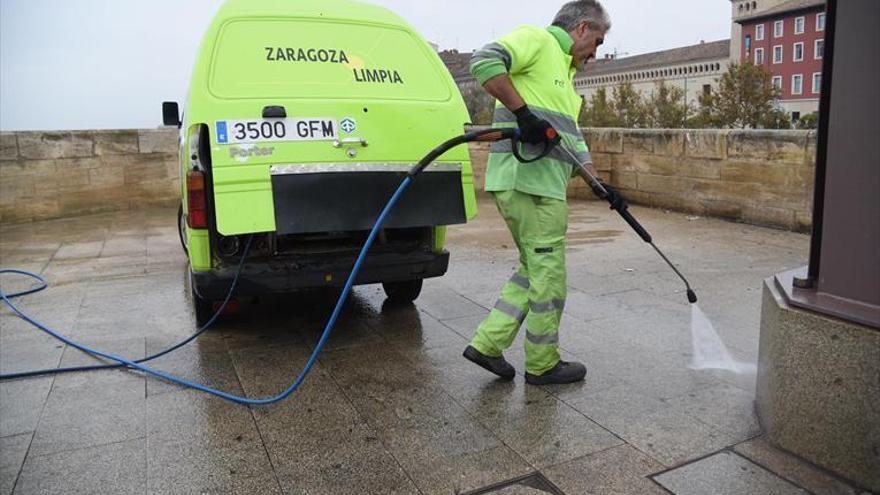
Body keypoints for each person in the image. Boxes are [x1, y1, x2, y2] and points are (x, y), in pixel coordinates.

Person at [463, 0, 624, 385]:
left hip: (534, 185)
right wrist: (522, 114)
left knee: (532, 269)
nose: (596, 53)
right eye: (597, 41)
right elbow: (484, 61)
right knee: (549, 276)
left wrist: (600, 185)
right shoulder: (538, 41)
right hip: (530, 185)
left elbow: (570, 141)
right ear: (582, 28)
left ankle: (487, 344)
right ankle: (543, 363)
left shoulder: (564, 78)